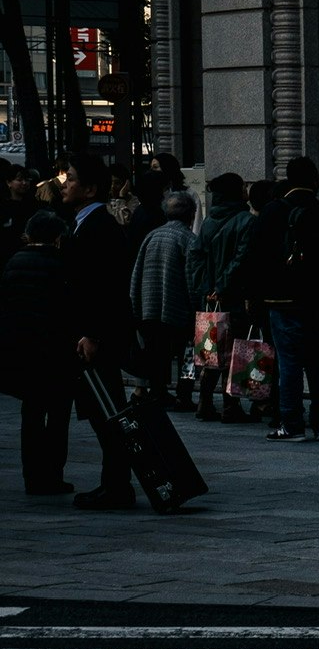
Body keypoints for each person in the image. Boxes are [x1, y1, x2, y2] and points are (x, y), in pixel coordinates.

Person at [231, 153, 319, 441]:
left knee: (289, 362)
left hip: (283, 299)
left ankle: (291, 423)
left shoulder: (272, 211)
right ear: (314, 180)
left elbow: (256, 258)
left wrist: (252, 296)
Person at [60, 152, 137, 510]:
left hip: (98, 337)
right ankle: (115, 483)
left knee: (107, 412)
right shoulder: (85, 224)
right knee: (102, 411)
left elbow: (102, 288)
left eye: (71, 178)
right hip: (93, 334)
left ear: (90, 189)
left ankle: (117, 485)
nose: (65, 184)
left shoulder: (98, 229)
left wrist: (92, 334)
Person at [0, 209, 81, 494]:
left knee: (31, 413)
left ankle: (31, 475)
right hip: (56, 351)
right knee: (58, 416)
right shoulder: (61, 263)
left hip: (22, 350)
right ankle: (52, 474)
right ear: (57, 237)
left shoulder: (13, 262)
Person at [186, 174, 255, 420]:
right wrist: (223, 286)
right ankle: (230, 405)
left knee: (211, 350)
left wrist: (206, 288)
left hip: (210, 299)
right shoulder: (246, 220)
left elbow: (195, 257)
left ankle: (204, 402)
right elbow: (241, 259)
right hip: (234, 296)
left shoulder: (208, 222)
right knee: (234, 350)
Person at [129, 189, 198, 404]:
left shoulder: (152, 235)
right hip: (177, 309)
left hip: (149, 307)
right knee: (187, 354)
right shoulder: (189, 239)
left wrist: (135, 304)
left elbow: (136, 274)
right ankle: (184, 393)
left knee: (156, 353)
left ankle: (158, 392)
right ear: (191, 214)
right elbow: (191, 278)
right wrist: (196, 306)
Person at [0, 166, 38, 267]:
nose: (24, 183)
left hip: (30, 256)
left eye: (27, 179)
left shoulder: (35, 205)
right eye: (19, 180)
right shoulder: (3, 207)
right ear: (9, 183)